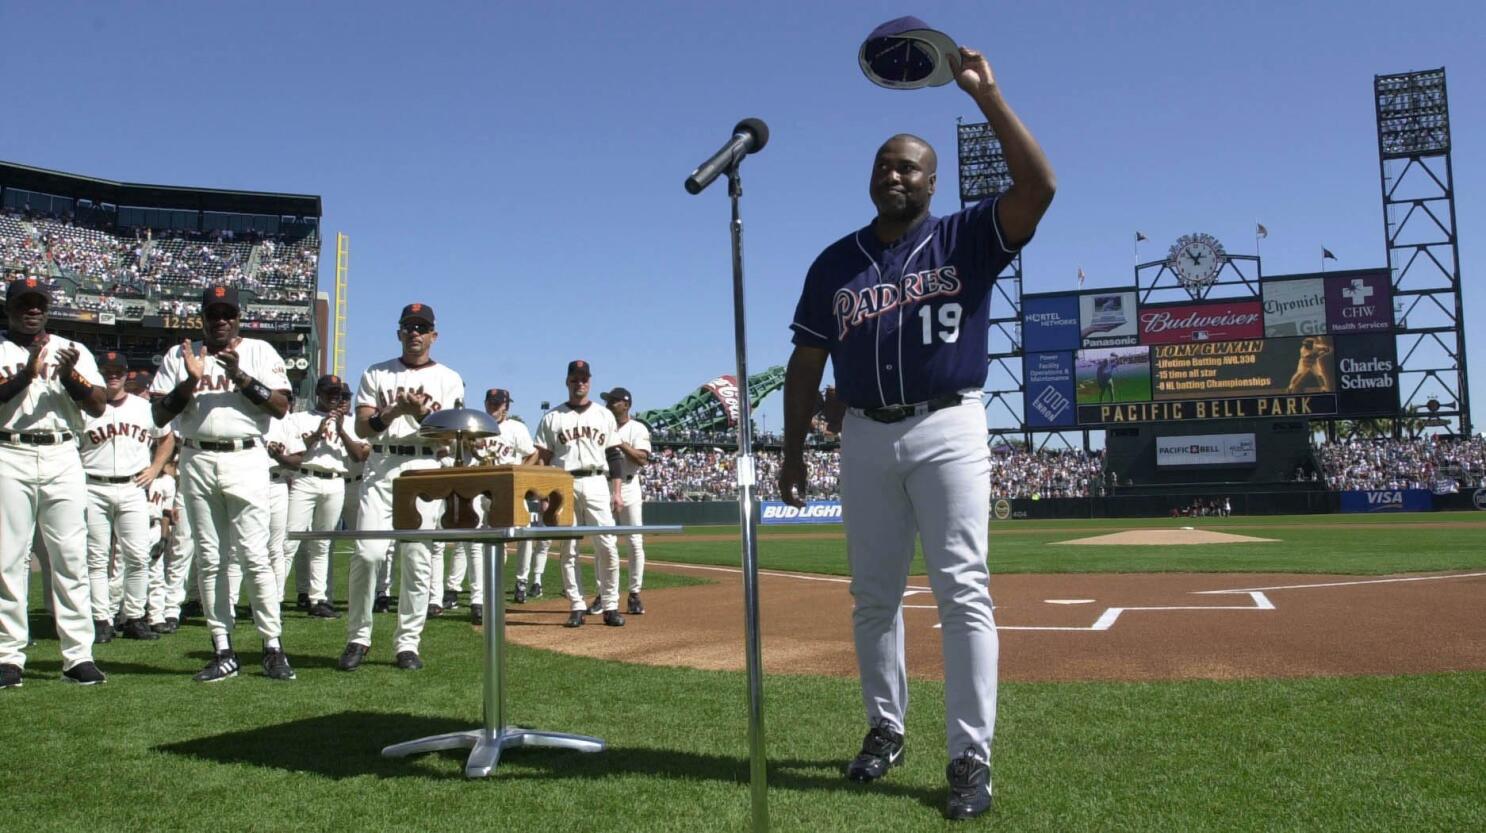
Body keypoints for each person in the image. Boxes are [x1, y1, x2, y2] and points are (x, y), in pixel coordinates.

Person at [777, 45, 1055, 821]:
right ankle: (886, 728)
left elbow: (1040, 186)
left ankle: (971, 754)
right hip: (863, 434)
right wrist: (794, 450)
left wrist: (987, 97)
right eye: (883, 165)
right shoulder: (836, 261)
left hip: (949, 424)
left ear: (932, 182)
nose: (893, 175)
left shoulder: (967, 236)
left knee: (963, 589)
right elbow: (804, 366)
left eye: (908, 167)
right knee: (872, 596)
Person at [149, 284, 296, 682]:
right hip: (196, 455)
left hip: (247, 454)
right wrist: (189, 383)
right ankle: (222, 648)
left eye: (228, 314)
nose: (221, 321)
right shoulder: (180, 356)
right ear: (203, 318)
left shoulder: (260, 352)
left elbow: (281, 407)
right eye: (213, 314)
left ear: (238, 317)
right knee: (210, 557)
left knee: (255, 556)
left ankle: (272, 645)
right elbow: (160, 416)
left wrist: (241, 376)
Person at [340, 302, 464, 672]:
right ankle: (358, 636)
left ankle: (408, 643)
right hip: (382, 460)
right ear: (399, 333)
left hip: (425, 463)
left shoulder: (449, 377)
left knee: (416, 557)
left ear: (433, 335)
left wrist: (421, 413)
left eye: (422, 327)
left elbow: (452, 436)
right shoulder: (377, 372)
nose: (415, 333)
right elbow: (363, 428)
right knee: (368, 553)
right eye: (409, 326)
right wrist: (395, 411)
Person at [0, 275, 110, 687]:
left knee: (70, 557)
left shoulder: (72, 350)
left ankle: (77, 655)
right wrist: (26, 375)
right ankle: (9, 656)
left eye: (39, 303)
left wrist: (70, 378)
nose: (32, 310)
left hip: (63, 452)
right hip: (9, 451)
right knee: (7, 559)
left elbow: (98, 406)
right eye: (24, 303)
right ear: (9, 308)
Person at [79, 350, 173, 642]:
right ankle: (101, 619)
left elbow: (166, 436)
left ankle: (133, 616)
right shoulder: (83, 407)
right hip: (93, 485)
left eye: (118, 370)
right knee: (96, 558)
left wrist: (155, 468)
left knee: (138, 556)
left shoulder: (142, 407)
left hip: (133, 487)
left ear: (126, 373)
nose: (113, 375)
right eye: (107, 371)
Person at [533, 360, 625, 628]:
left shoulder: (603, 415)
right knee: (569, 548)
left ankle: (610, 605)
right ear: (567, 382)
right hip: (563, 482)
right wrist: (544, 492)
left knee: (607, 545)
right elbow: (544, 458)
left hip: (597, 480)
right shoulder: (552, 417)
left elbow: (614, 455)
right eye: (575, 378)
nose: (580, 383)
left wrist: (616, 490)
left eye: (584, 378)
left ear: (590, 382)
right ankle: (576, 604)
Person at [287, 374, 367, 619]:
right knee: (290, 541)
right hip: (305, 478)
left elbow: (358, 456)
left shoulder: (349, 422)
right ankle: (273, 597)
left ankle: (319, 598)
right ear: (318, 394)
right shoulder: (299, 418)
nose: (335, 397)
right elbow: (293, 453)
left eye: (338, 393)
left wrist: (341, 430)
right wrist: (316, 434)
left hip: (335, 481)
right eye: (330, 392)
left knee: (323, 544)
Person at [462, 387, 536, 623]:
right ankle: (477, 600)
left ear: (507, 405)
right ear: (485, 403)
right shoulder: (474, 425)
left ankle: (510, 583)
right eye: (491, 402)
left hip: (505, 488)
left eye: (498, 403)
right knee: (474, 541)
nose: (494, 406)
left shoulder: (516, 428)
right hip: (477, 485)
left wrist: (522, 473)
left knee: (512, 537)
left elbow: (532, 453)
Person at [601, 386, 651, 614]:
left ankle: (634, 593)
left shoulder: (637, 428)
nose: (609, 404)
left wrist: (619, 442)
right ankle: (604, 594)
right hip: (604, 485)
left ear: (626, 405)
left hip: (629, 486)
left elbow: (642, 458)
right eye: (608, 401)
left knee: (634, 541)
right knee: (604, 541)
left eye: (614, 401)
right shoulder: (601, 425)